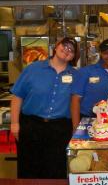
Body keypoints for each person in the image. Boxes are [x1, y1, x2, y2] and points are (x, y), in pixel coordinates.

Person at [10, 37, 79, 179]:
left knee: (56, 171)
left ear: (73, 56)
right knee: (28, 169)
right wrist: (14, 123)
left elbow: (78, 102)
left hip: (59, 130)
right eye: (64, 45)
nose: (67, 50)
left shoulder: (76, 75)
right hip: (31, 126)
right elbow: (17, 97)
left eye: (71, 50)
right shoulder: (32, 69)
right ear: (55, 46)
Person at [71, 39, 108, 130]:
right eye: (106, 53)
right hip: (88, 120)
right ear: (101, 54)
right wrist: (75, 128)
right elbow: (75, 100)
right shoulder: (86, 72)